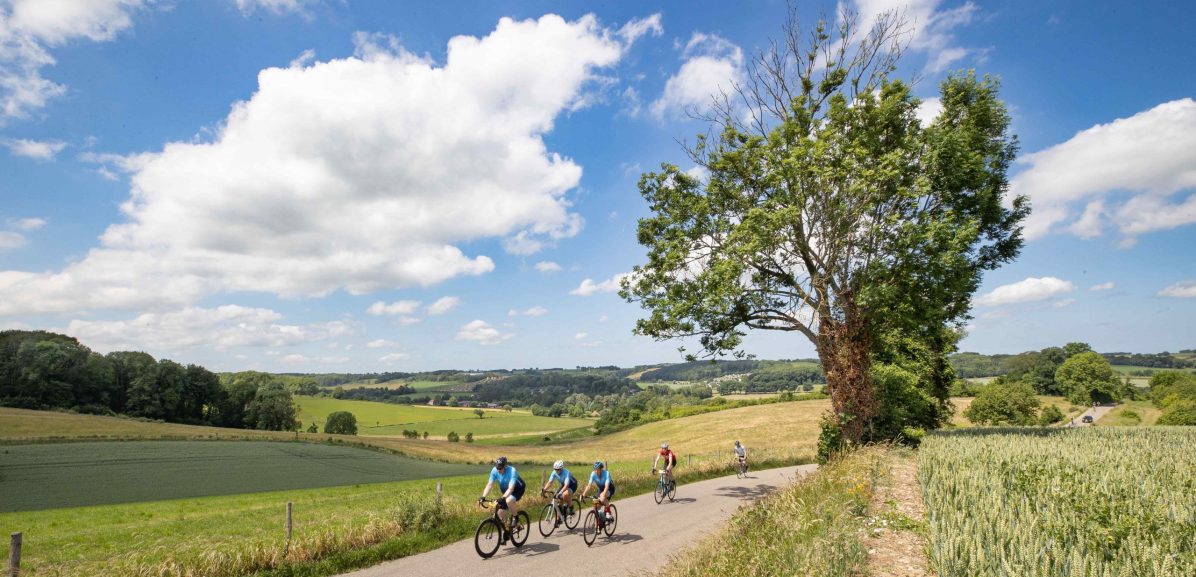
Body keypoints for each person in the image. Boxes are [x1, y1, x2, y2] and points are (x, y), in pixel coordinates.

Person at [479, 456, 525, 536]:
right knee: (500, 513)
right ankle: (508, 530)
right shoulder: (494, 470)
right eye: (497, 468)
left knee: (509, 500)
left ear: (505, 466)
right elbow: (489, 484)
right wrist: (483, 497)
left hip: (517, 489)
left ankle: (516, 518)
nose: (498, 470)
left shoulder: (512, 471)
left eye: (500, 468)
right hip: (506, 491)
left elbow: (511, 489)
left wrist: (502, 498)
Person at [541, 459, 577, 527]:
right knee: (558, 500)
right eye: (555, 469)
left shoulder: (566, 473)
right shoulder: (554, 472)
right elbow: (550, 482)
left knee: (565, 494)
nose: (557, 471)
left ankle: (571, 508)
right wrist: (544, 489)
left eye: (558, 469)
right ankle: (559, 519)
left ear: (562, 468)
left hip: (572, 485)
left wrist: (560, 492)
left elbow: (566, 485)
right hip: (563, 485)